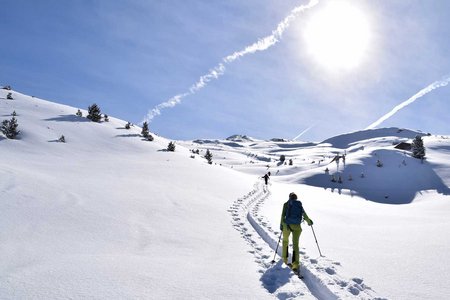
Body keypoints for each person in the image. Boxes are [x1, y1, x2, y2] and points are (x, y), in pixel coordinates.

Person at [279, 192, 313, 274]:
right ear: (296, 198)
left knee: (285, 241)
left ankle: (285, 258)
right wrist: (309, 221)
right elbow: (304, 214)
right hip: (297, 227)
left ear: (289, 197)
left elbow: (283, 215)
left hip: (287, 225)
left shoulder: (286, 204)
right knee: (295, 245)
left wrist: (281, 225)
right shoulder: (298, 204)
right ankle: (295, 264)